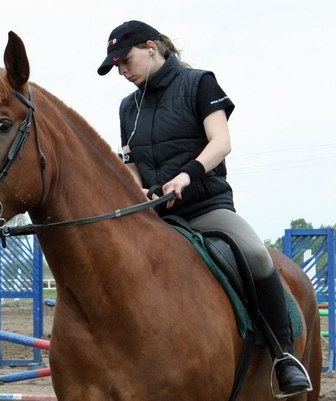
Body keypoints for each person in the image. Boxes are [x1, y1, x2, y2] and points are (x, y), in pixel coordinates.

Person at [97, 20, 311, 396]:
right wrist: (140, 189)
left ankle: (284, 356)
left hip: (206, 207)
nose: (122, 71)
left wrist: (187, 175)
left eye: (125, 61)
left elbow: (221, 142)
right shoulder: (127, 107)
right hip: (154, 216)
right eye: (116, 67)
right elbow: (130, 162)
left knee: (257, 255)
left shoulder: (199, 84)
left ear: (151, 47)